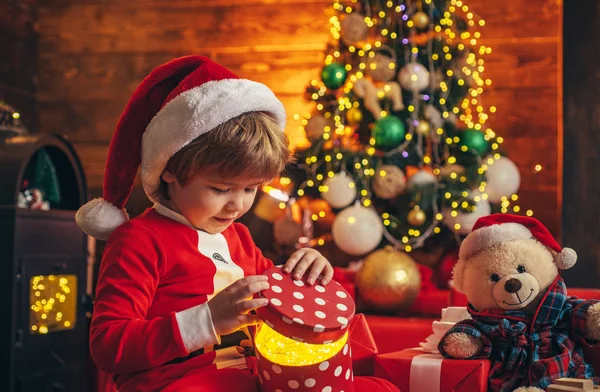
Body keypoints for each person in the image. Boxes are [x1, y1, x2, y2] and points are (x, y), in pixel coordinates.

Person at [76, 56, 399, 392]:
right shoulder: (140, 239)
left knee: (379, 387)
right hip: (181, 384)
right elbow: (108, 345)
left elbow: (275, 305)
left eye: (250, 189)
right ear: (169, 169)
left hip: (257, 376)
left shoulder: (239, 238)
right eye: (220, 189)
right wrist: (209, 320)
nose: (237, 204)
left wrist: (308, 278)